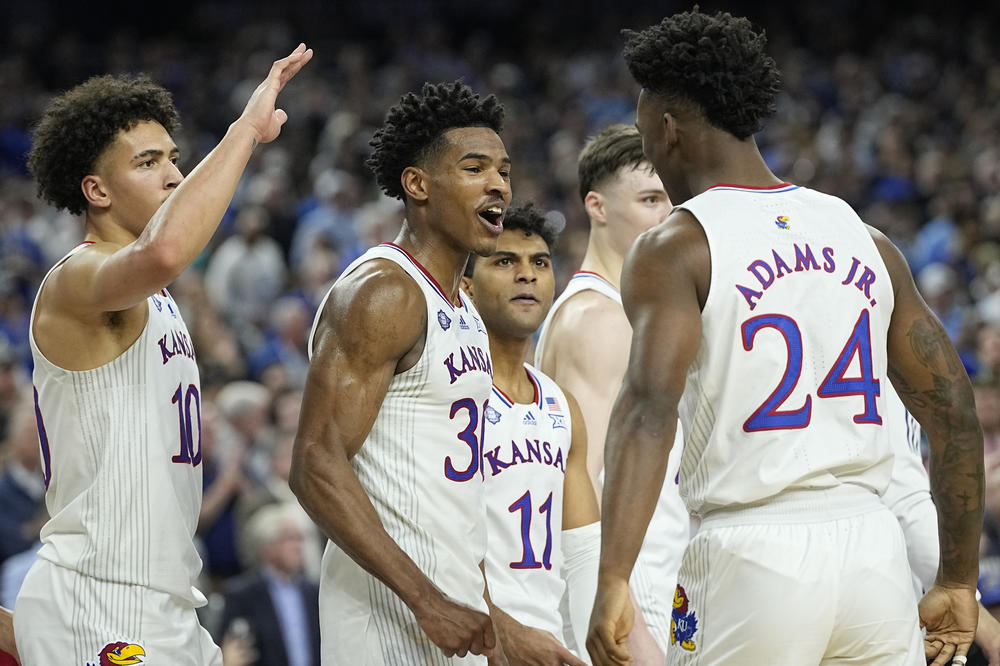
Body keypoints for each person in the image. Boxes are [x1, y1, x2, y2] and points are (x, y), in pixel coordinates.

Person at [587, 9, 983, 666]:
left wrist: (613, 577)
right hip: (873, 557)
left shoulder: (676, 247)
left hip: (753, 555)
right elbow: (956, 414)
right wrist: (958, 579)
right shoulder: (864, 236)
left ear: (665, 129)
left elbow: (647, 411)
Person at [13, 44, 312, 666]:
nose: (175, 175)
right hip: (101, 598)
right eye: (148, 162)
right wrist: (245, 133)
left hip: (170, 600)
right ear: (95, 189)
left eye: (174, 158)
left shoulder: (161, 300)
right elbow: (165, 252)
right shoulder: (77, 280)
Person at [290, 80, 509, 664]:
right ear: (417, 185)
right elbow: (315, 463)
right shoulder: (385, 292)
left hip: (448, 606)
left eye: (504, 171)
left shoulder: (460, 304)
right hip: (389, 618)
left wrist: (501, 628)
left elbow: (451, 497)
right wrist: (425, 600)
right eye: (475, 167)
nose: (498, 184)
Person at [534, 123, 687, 659]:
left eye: (672, 197)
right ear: (597, 207)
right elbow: (585, 490)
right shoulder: (598, 320)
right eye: (649, 199)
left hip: (651, 573)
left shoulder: (625, 310)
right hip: (632, 585)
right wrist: (629, 628)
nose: (668, 214)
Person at [461, 201, 592, 665]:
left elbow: (583, 552)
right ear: (466, 287)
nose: (527, 275)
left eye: (539, 262)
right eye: (505, 262)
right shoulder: (451, 398)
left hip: (548, 643)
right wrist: (500, 632)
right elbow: (432, 542)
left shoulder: (562, 406)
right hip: (471, 641)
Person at [881, 381, 1000, 665]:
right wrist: (970, 602)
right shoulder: (879, 363)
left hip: (760, 555)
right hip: (869, 576)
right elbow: (905, 500)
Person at [217, 502, 320, 666]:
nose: (298, 547)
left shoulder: (315, 593)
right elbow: (233, 653)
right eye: (289, 538)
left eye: (300, 539)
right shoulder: (241, 596)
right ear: (266, 547)